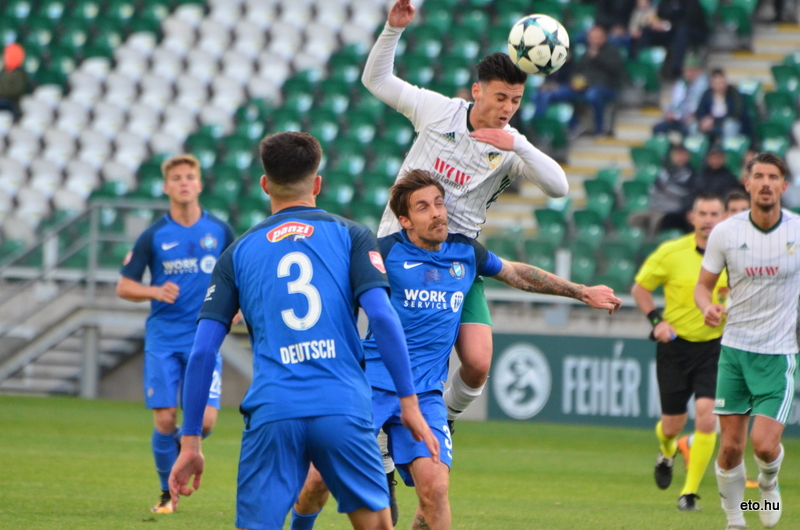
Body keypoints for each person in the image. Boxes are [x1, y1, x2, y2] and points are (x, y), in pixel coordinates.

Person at [290, 170, 622, 530]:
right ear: (404, 220)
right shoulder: (384, 252)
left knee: (435, 493)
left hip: (426, 396)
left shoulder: (465, 253)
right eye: (423, 207)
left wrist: (579, 291)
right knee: (318, 479)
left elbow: (516, 274)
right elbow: (326, 286)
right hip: (368, 387)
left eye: (438, 203)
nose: (437, 213)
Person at [168, 132, 438, 530]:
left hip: (274, 410)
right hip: (342, 405)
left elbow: (203, 352)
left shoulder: (236, 253)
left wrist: (190, 441)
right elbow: (382, 319)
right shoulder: (351, 235)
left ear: (264, 185)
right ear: (317, 183)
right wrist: (409, 403)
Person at [361, 0, 569, 487]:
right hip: (396, 253)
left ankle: (444, 417)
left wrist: (517, 142)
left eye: (515, 101)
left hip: (457, 262)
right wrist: (393, 30)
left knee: (477, 362)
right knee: (386, 355)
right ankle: (380, 448)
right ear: (477, 91)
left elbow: (559, 187)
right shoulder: (438, 111)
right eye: (499, 98)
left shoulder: (512, 148)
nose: (506, 109)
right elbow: (377, 82)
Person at [116, 154, 235, 514]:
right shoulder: (154, 235)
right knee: (165, 418)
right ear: (166, 187)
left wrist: (240, 305)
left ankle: (186, 445)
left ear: (199, 184)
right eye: (177, 178)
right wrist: (154, 291)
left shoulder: (219, 231)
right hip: (164, 339)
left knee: (207, 420)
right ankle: (167, 496)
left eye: (190, 177)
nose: (184, 182)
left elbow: (237, 275)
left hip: (205, 338)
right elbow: (124, 285)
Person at [695, 152, 799, 530]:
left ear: (784, 186)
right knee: (730, 449)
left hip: (779, 353)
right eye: (760, 176)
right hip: (735, 351)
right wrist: (707, 307)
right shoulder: (726, 232)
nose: (766, 183)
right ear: (748, 184)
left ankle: (769, 482)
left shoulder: (798, 231)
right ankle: (735, 521)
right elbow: (703, 287)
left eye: (774, 176)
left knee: (764, 446)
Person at [631, 192, 728, 511]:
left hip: (714, 346)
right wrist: (656, 322)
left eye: (715, 213)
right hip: (675, 346)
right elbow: (640, 288)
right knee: (672, 424)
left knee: (707, 416)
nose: (709, 219)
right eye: (703, 213)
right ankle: (667, 452)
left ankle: (688, 493)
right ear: (693, 218)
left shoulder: (735, 256)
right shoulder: (671, 252)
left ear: (724, 217)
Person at [532, 25, 627, 135]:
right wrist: (574, 82)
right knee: (559, 93)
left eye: (598, 37)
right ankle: (566, 126)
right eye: (592, 37)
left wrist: (598, 57)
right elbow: (576, 71)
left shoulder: (612, 52)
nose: (595, 40)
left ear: (604, 37)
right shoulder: (586, 53)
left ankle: (599, 129)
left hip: (606, 87)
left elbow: (616, 71)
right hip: (584, 87)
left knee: (593, 95)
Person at [651, 55, 708, 139]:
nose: (689, 73)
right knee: (658, 128)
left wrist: (695, 116)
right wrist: (669, 113)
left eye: (692, 70)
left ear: (698, 71)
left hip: (693, 119)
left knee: (690, 129)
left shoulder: (704, 86)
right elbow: (674, 102)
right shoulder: (680, 84)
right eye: (687, 70)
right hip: (678, 118)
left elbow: (703, 106)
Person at [695, 69, 753, 145]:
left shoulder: (734, 94)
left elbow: (736, 114)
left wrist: (715, 121)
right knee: (694, 126)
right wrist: (703, 121)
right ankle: (698, 154)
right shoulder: (707, 94)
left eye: (723, 83)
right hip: (712, 125)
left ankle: (729, 153)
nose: (722, 86)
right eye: (718, 83)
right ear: (712, 84)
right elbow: (700, 110)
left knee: (729, 125)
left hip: (732, 124)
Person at [0, 43, 28, 118]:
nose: (4, 58)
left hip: (10, 104)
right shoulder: (4, 72)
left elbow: (15, 91)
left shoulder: (19, 74)